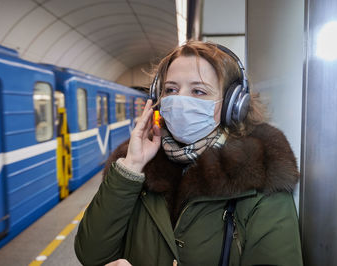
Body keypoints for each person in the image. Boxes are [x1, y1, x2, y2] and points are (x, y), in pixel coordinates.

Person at [74, 41, 303, 266]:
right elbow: (91, 255)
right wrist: (131, 167)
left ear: (233, 105)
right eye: (171, 89)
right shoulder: (134, 168)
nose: (181, 99)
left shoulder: (261, 177)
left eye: (198, 91)